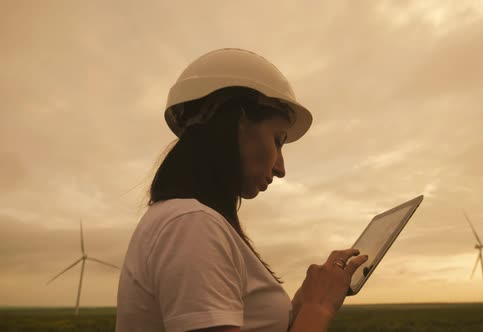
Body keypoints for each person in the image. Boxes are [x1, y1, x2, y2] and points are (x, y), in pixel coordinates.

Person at [116, 48, 369, 332]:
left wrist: (300, 306)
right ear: (237, 122)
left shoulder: (188, 221)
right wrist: (317, 308)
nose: (280, 168)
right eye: (278, 140)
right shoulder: (190, 224)